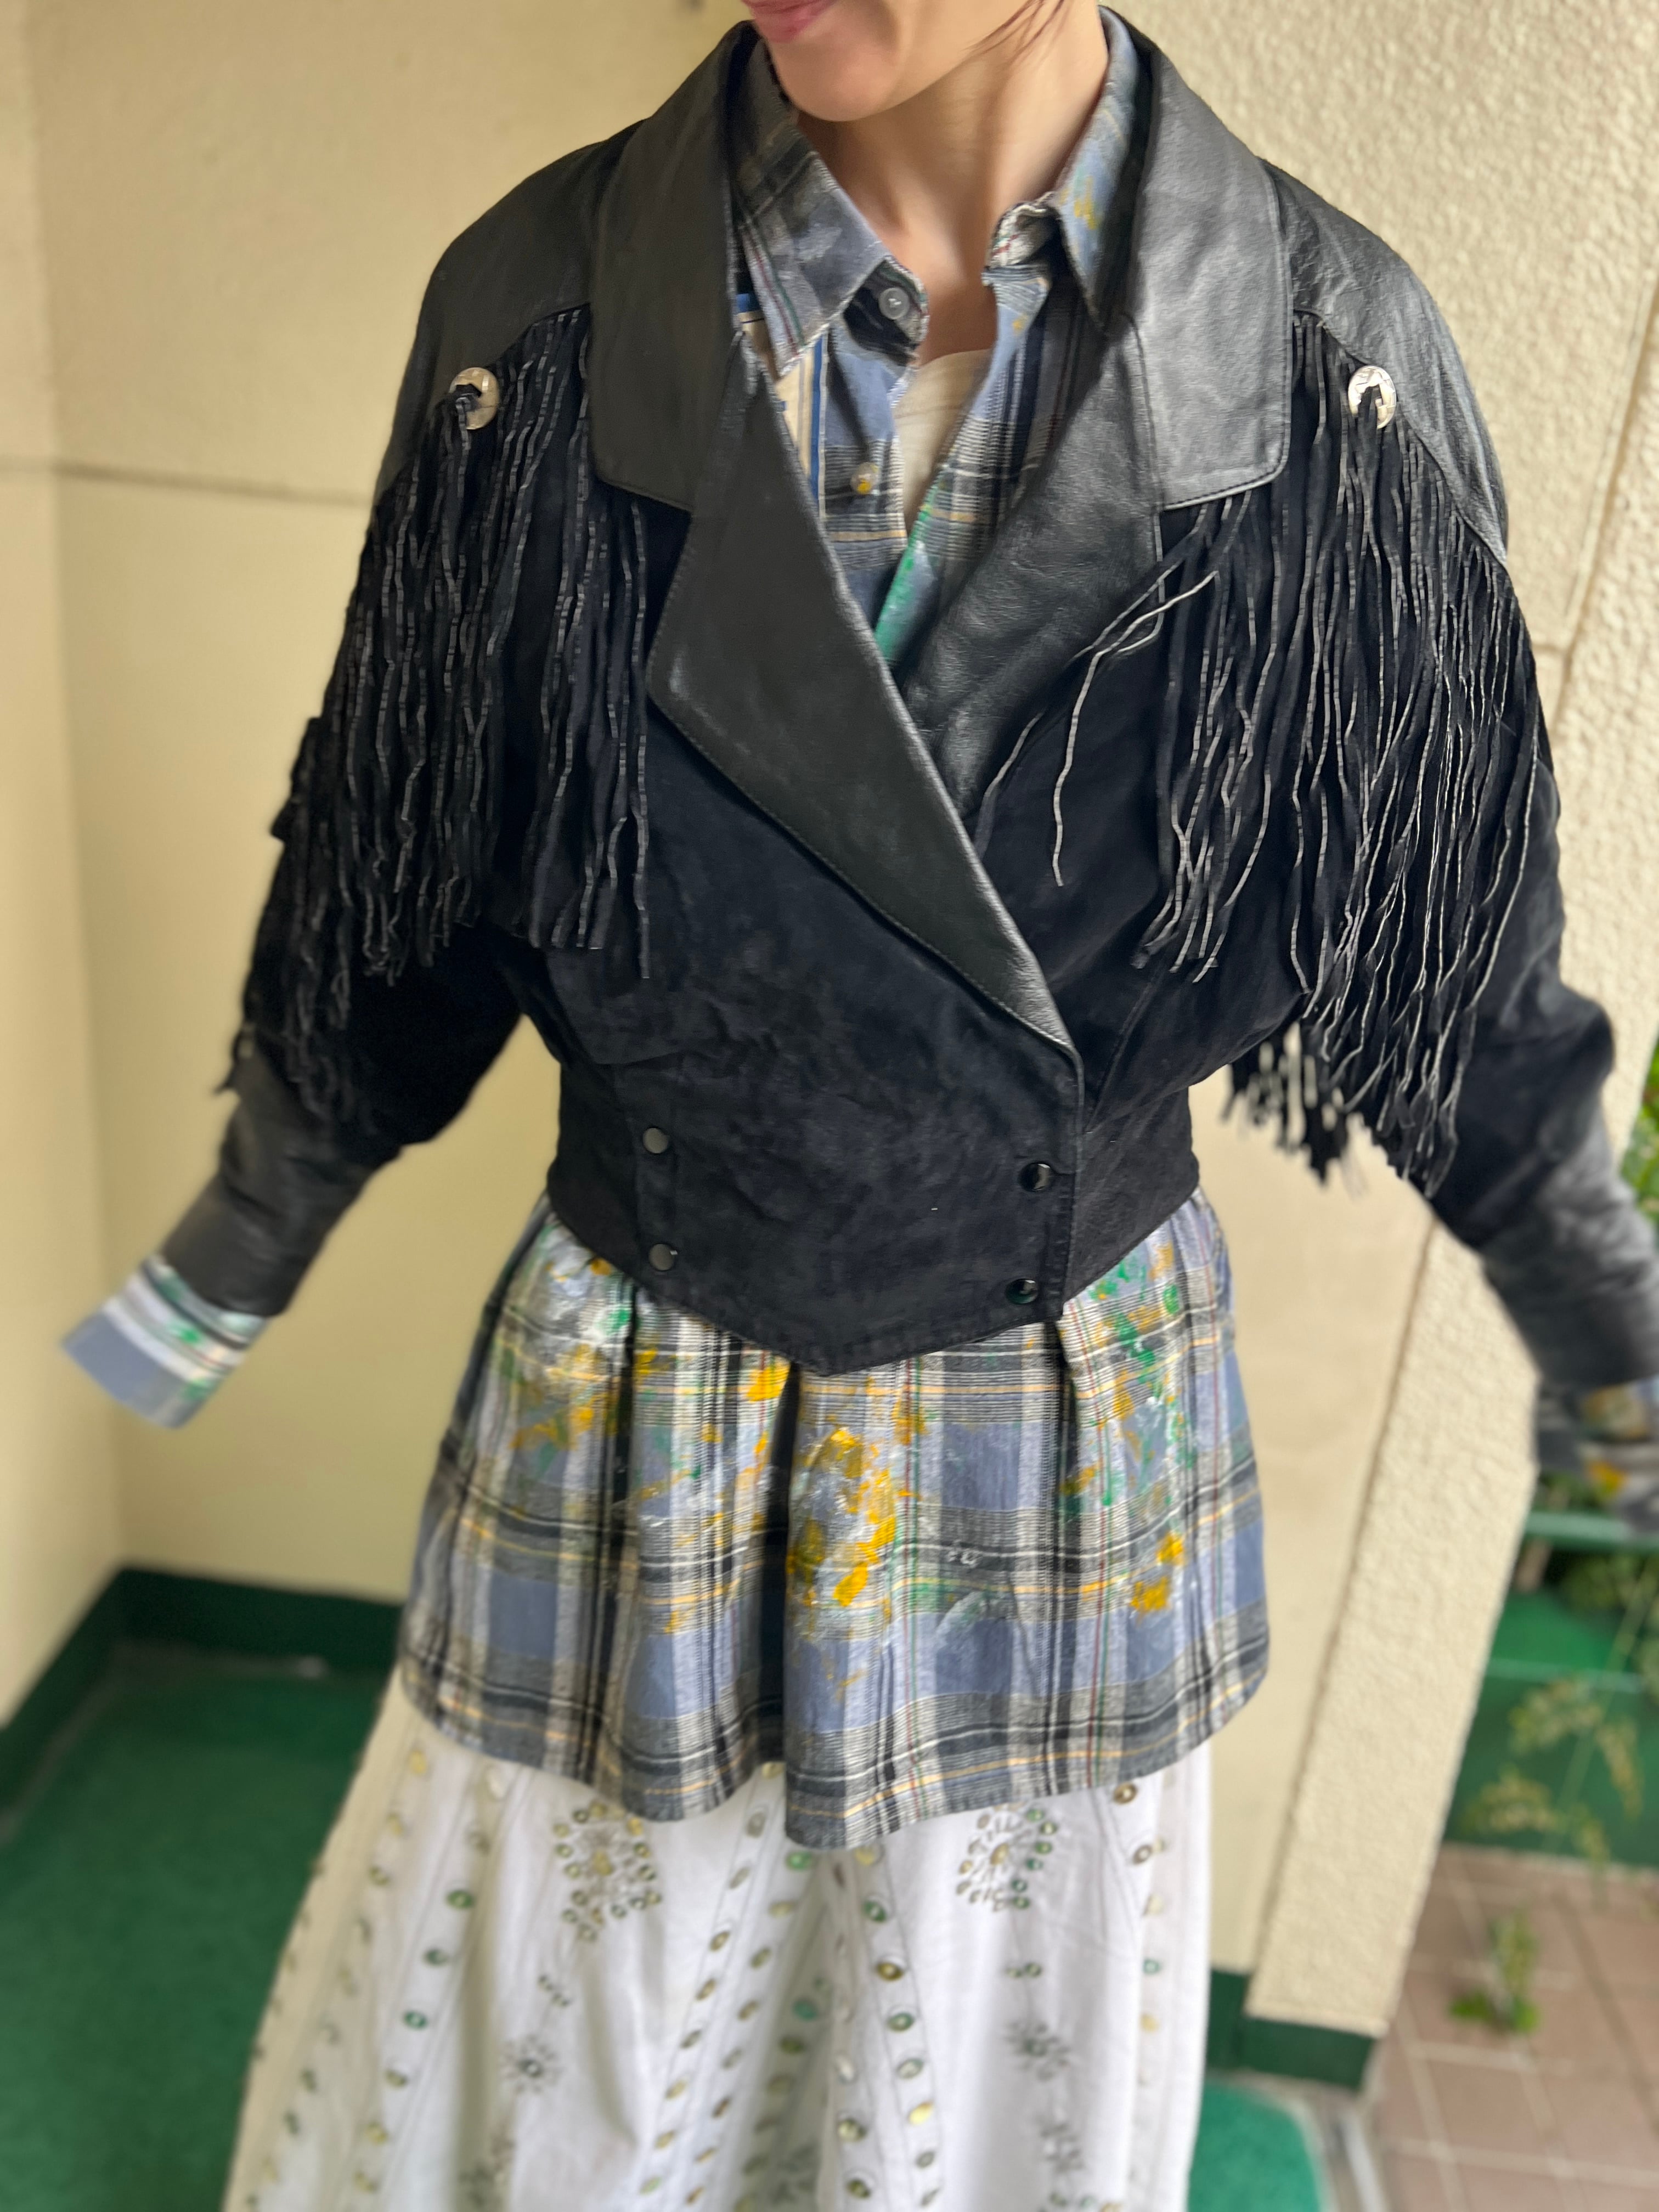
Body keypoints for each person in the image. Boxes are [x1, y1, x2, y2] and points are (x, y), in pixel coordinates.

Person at [65, 1, 1659, 2205]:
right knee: (561, 2062)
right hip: (642, 1378)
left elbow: (1447, 954)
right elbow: (400, 876)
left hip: (1062, 1393)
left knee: (964, 2094)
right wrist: (225, 1259)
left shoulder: (1329, 367)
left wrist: (1618, 1352)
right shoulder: (538, 313)